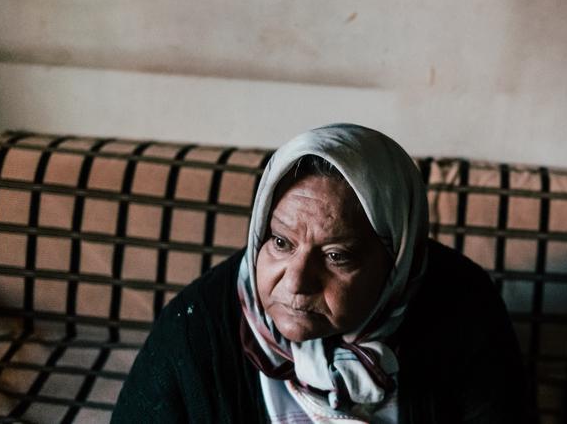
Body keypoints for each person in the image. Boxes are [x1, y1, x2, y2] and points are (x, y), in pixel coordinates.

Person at [112, 124, 529, 423]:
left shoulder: (464, 308)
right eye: (280, 243)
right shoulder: (199, 323)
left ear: (397, 263)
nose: (295, 283)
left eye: (336, 256)